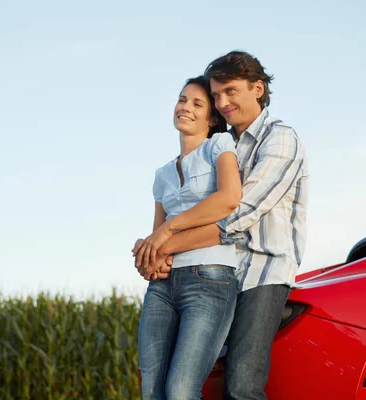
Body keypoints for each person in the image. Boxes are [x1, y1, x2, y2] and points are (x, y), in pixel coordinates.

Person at [134, 51, 309, 400]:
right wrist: (157, 249)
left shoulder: (280, 138)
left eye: (230, 91)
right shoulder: (222, 144)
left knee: (242, 385)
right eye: (216, 96)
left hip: (262, 271)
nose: (223, 102)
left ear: (257, 88)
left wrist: (164, 241)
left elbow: (237, 214)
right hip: (221, 269)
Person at [135, 75, 243, 400]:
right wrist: (147, 259)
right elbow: (157, 238)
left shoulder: (219, 147)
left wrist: (167, 233)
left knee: (181, 390)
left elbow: (228, 199)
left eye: (197, 103)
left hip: (210, 279)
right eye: (182, 100)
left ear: (212, 119)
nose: (185, 107)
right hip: (162, 289)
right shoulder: (161, 175)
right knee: (151, 390)